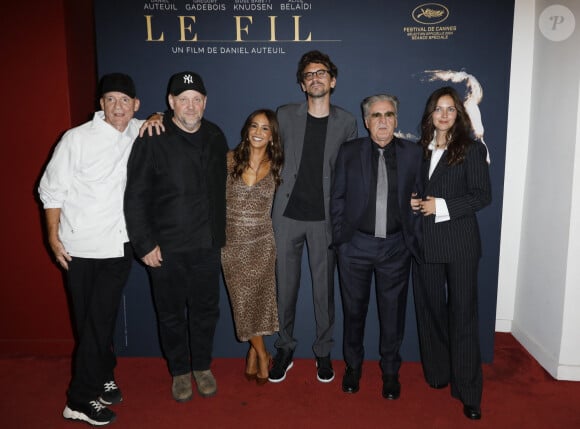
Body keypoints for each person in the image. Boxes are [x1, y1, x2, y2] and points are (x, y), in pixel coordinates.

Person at [38, 73, 142, 426]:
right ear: (101, 104)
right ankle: (79, 400)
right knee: (91, 324)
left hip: (118, 246)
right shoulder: (76, 139)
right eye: (111, 99)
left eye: (124, 101)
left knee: (101, 321)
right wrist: (53, 238)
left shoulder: (137, 131)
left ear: (135, 106)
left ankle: (99, 377)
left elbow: (164, 121)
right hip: (79, 249)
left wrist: (157, 119)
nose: (118, 107)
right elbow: (51, 190)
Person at [123, 71, 228, 403]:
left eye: (197, 99)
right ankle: (180, 371)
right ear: (171, 103)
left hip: (207, 246)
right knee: (169, 315)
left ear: (205, 102)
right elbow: (135, 196)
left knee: (206, 311)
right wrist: (144, 243)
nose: (191, 105)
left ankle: (202, 366)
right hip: (165, 249)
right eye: (183, 99)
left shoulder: (215, 135)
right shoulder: (152, 136)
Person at [269, 50, 357, 383]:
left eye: (321, 73)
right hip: (287, 216)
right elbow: (259, 146)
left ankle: (323, 351)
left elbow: (351, 174)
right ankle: (286, 347)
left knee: (324, 292)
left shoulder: (347, 122)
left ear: (332, 81)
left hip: (324, 220)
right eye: (309, 75)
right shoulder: (284, 115)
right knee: (285, 289)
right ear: (303, 84)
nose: (315, 78)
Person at [330, 94, 422, 399]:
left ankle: (391, 372)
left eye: (389, 115)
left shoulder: (413, 153)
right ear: (366, 121)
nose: (383, 121)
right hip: (355, 247)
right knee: (354, 312)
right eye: (377, 115)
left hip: (396, 248)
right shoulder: (348, 151)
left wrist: (414, 219)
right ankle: (353, 367)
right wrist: (342, 239)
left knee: (393, 315)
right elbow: (338, 197)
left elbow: (422, 196)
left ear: (396, 119)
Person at [411, 86, 491, 420]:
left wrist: (439, 206)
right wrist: (414, 203)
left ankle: (468, 392)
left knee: (462, 316)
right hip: (425, 244)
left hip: (459, 244)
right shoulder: (419, 150)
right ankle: (438, 374)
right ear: (430, 114)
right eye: (438, 109)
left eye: (450, 109)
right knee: (429, 313)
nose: (443, 115)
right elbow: (416, 190)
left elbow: (481, 196)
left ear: (458, 114)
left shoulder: (471, 149)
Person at [221, 109, 284, 385]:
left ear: (272, 136)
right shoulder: (228, 160)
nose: (258, 132)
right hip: (232, 243)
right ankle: (262, 353)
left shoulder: (279, 165)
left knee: (258, 303)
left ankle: (252, 353)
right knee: (242, 303)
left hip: (262, 243)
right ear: (247, 130)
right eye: (254, 126)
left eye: (265, 128)